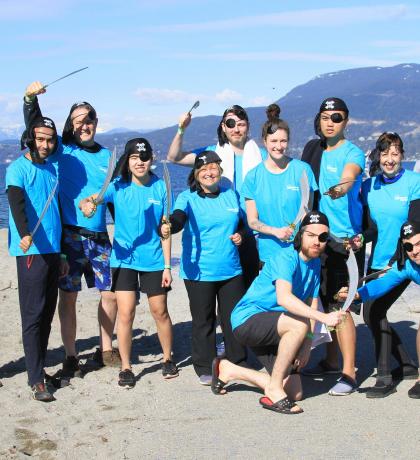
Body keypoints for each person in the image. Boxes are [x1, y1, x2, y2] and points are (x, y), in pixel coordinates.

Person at [23, 81, 119, 377]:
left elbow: (116, 198)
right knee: (69, 296)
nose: (84, 125)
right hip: (70, 237)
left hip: (101, 238)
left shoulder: (108, 157)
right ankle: (71, 355)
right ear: (71, 126)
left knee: (110, 293)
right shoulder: (62, 151)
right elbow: (38, 128)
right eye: (78, 121)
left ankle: (105, 348)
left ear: (96, 122)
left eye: (88, 119)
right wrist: (30, 99)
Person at [211, 211, 346, 414]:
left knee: (295, 392)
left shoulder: (316, 264)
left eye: (323, 237)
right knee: (298, 324)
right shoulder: (285, 258)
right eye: (311, 235)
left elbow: (312, 304)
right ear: (300, 235)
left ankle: (230, 370)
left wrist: (307, 345)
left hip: (278, 326)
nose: (317, 241)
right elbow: (284, 298)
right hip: (247, 320)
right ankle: (274, 389)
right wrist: (325, 318)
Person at [80, 138, 178, 388]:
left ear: (151, 159)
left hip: (155, 261)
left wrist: (167, 267)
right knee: (126, 313)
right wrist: (87, 206)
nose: (140, 162)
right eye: (134, 158)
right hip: (124, 260)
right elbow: (91, 200)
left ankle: (168, 358)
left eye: (144, 158)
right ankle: (126, 367)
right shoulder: (117, 186)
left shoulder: (160, 188)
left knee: (160, 311)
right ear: (128, 160)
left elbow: (165, 231)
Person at [161, 151, 247, 385]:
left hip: (231, 269)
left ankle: (237, 361)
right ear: (197, 175)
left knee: (234, 319)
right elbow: (178, 218)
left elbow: (243, 224)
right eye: (203, 169)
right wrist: (170, 224)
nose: (209, 172)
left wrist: (240, 234)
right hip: (199, 271)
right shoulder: (187, 198)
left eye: (213, 168)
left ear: (220, 171)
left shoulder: (231, 195)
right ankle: (204, 365)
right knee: (203, 320)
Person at [301, 97, 365, 396]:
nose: (330, 122)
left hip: (343, 242)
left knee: (342, 305)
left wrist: (342, 187)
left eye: (336, 117)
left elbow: (350, 176)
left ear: (346, 121)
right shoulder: (314, 149)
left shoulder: (353, 152)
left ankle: (349, 372)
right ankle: (330, 359)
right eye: (325, 116)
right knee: (324, 301)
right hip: (316, 239)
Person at [167, 105, 264, 288]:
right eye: (231, 123)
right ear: (223, 126)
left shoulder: (262, 155)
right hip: (224, 232)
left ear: (248, 126)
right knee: (228, 291)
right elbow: (174, 157)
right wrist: (181, 128)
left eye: (241, 124)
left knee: (251, 292)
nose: (236, 129)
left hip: (252, 232)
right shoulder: (212, 153)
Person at [6, 115, 68, 401]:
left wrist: (64, 251)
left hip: (53, 251)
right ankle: (35, 379)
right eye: (40, 139)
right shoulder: (17, 169)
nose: (45, 144)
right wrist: (24, 232)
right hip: (30, 251)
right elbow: (16, 203)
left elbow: (57, 213)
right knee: (32, 315)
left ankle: (40, 368)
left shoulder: (52, 169)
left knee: (46, 315)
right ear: (29, 139)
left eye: (49, 139)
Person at [361, 133, 420, 397]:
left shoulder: (414, 182)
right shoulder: (368, 187)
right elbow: (370, 228)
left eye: (395, 154)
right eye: (385, 154)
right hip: (378, 260)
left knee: (374, 311)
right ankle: (406, 365)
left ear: (402, 157)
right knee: (370, 314)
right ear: (378, 156)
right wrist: (359, 238)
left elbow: (415, 224)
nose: (390, 159)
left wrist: (403, 254)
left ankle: (384, 376)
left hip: (405, 260)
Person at [337, 220, 420, 399]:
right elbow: (382, 284)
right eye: (409, 246)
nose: (415, 251)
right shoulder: (407, 265)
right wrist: (356, 294)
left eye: (419, 243)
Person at [242, 104, 318, 263]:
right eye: (274, 141)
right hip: (269, 255)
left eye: (283, 141)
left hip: (300, 253)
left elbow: (307, 212)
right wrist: (275, 231)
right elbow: (252, 221)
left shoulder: (303, 171)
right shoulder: (253, 176)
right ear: (264, 141)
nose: (278, 146)